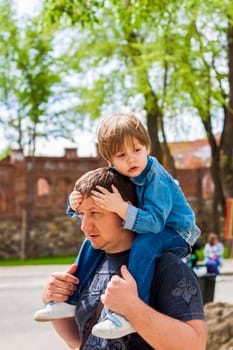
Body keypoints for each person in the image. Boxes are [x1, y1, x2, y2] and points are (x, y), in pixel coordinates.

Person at [34, 112, 201, 339]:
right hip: (146, 222)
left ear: (148, 148)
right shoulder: (120, 175)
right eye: (122, 154)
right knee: (90, 244)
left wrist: (121, 208)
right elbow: (79, 341)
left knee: (145, 244)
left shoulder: (156, 178)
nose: (131, 159)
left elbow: (154, 223)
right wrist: (74, 203)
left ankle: (127, 313)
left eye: (137, 150)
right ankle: (69, 300)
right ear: (110, 160)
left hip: (175, 231)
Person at [41, 167, 207, 350]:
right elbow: (81, 342)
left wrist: (134, 309)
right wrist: (54, 299)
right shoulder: (92, 263)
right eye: (82, 215)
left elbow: (195, 344)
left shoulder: (167, 267)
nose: (84, 226)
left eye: (95, 213)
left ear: (123, 211)